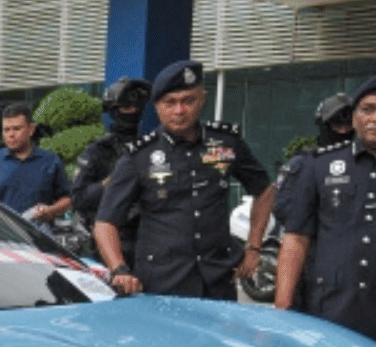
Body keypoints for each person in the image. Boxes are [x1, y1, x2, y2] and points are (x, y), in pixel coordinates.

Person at [272, 71, 376, 347]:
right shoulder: (320, 165)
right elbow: (296, 239)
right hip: (328, 310)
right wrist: (283, 308)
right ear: (355, 117)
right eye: (368, 109)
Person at [92, 60, 272, 299]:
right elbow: (105, 223)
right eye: (170, 103)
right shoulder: (139, 155)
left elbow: (265, 190)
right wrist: (119, 269)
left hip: (218, 279)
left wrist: (254, 247)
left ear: (202, 99)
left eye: (188, 101)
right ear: (156, 106)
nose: (179, 110)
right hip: (162, 283)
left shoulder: (226, 143)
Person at [0, 103, 72, 222]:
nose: (11, 135)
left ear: (31, 129)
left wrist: (51, 211)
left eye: (17, 128)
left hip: (37, 235)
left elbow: (68, 198)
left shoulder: (50, 161)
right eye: (6, 130)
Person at [70, 77, 150, 223]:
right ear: (114, 110)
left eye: (136, 108)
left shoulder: (149, 147)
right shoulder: (98, 150)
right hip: (107, 231)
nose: (132, 112)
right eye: (126, 107)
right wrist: (109, 183)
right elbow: (78, 199)